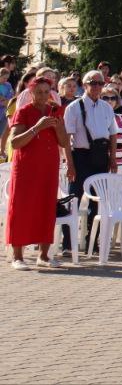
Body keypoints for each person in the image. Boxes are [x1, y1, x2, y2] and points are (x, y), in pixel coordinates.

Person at [6, 75, 71, 269]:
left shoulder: (55, 110)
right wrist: (37, 127)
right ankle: (18, 256)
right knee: (22, 209)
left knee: (46, 208)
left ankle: (44, 255)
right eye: (39, 92)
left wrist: (58, 127)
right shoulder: (23, 111)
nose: (43, 96)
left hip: (48, 167)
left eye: (46, 92)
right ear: (31, 93)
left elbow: (64, 142)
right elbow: (15, 142)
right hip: (26, 168)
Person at [63, 69, 119, 253]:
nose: (96, 87)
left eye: (100, 83)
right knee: (73, 200)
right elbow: (66, 138)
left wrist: (112, 158)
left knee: (98, 202)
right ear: (85, 85)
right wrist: (70, 164)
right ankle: (68, 243)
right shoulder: (74, 107)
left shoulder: (106, 107)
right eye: (93, 83)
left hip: (100, 156)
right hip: (80, 156)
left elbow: (112, 133)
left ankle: (92, 242)